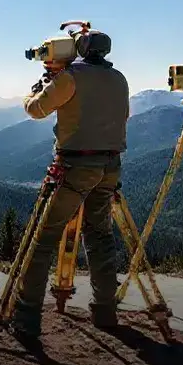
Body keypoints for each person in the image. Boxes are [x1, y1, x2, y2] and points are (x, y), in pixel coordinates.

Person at [11, 29, 130, 347]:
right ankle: (105, 311)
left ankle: (26, 318)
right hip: (110, 167)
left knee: (44, 240)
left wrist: (38, 88)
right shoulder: (119, 78)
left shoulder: (70, 77)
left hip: (76, 167)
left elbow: (36, 110)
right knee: (100, 237)